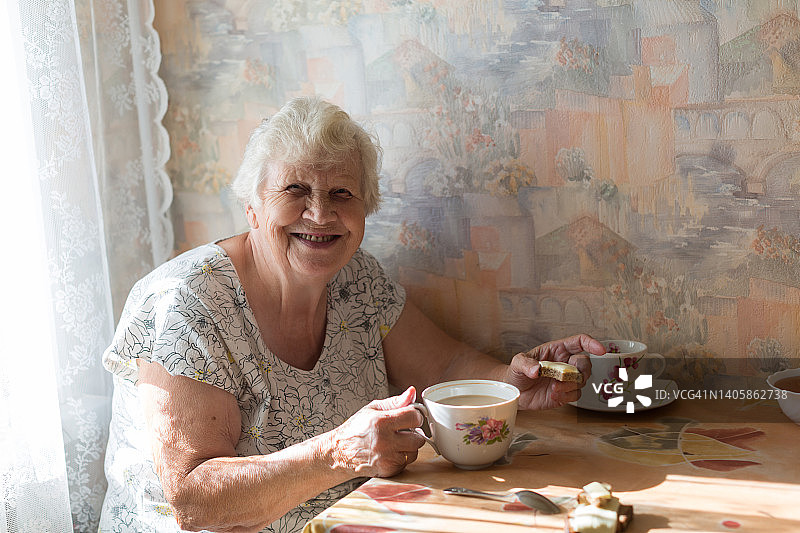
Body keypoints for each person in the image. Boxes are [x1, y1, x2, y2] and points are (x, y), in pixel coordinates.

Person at [99, 96, 604, 533]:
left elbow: (444, 369)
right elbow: (194, 499)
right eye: (295, 190)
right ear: (252, 207)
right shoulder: (187, 304)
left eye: (341, 193)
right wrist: (340, 453)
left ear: (366, 210)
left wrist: (512, 382)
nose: (320, 214)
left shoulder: (356, 278)